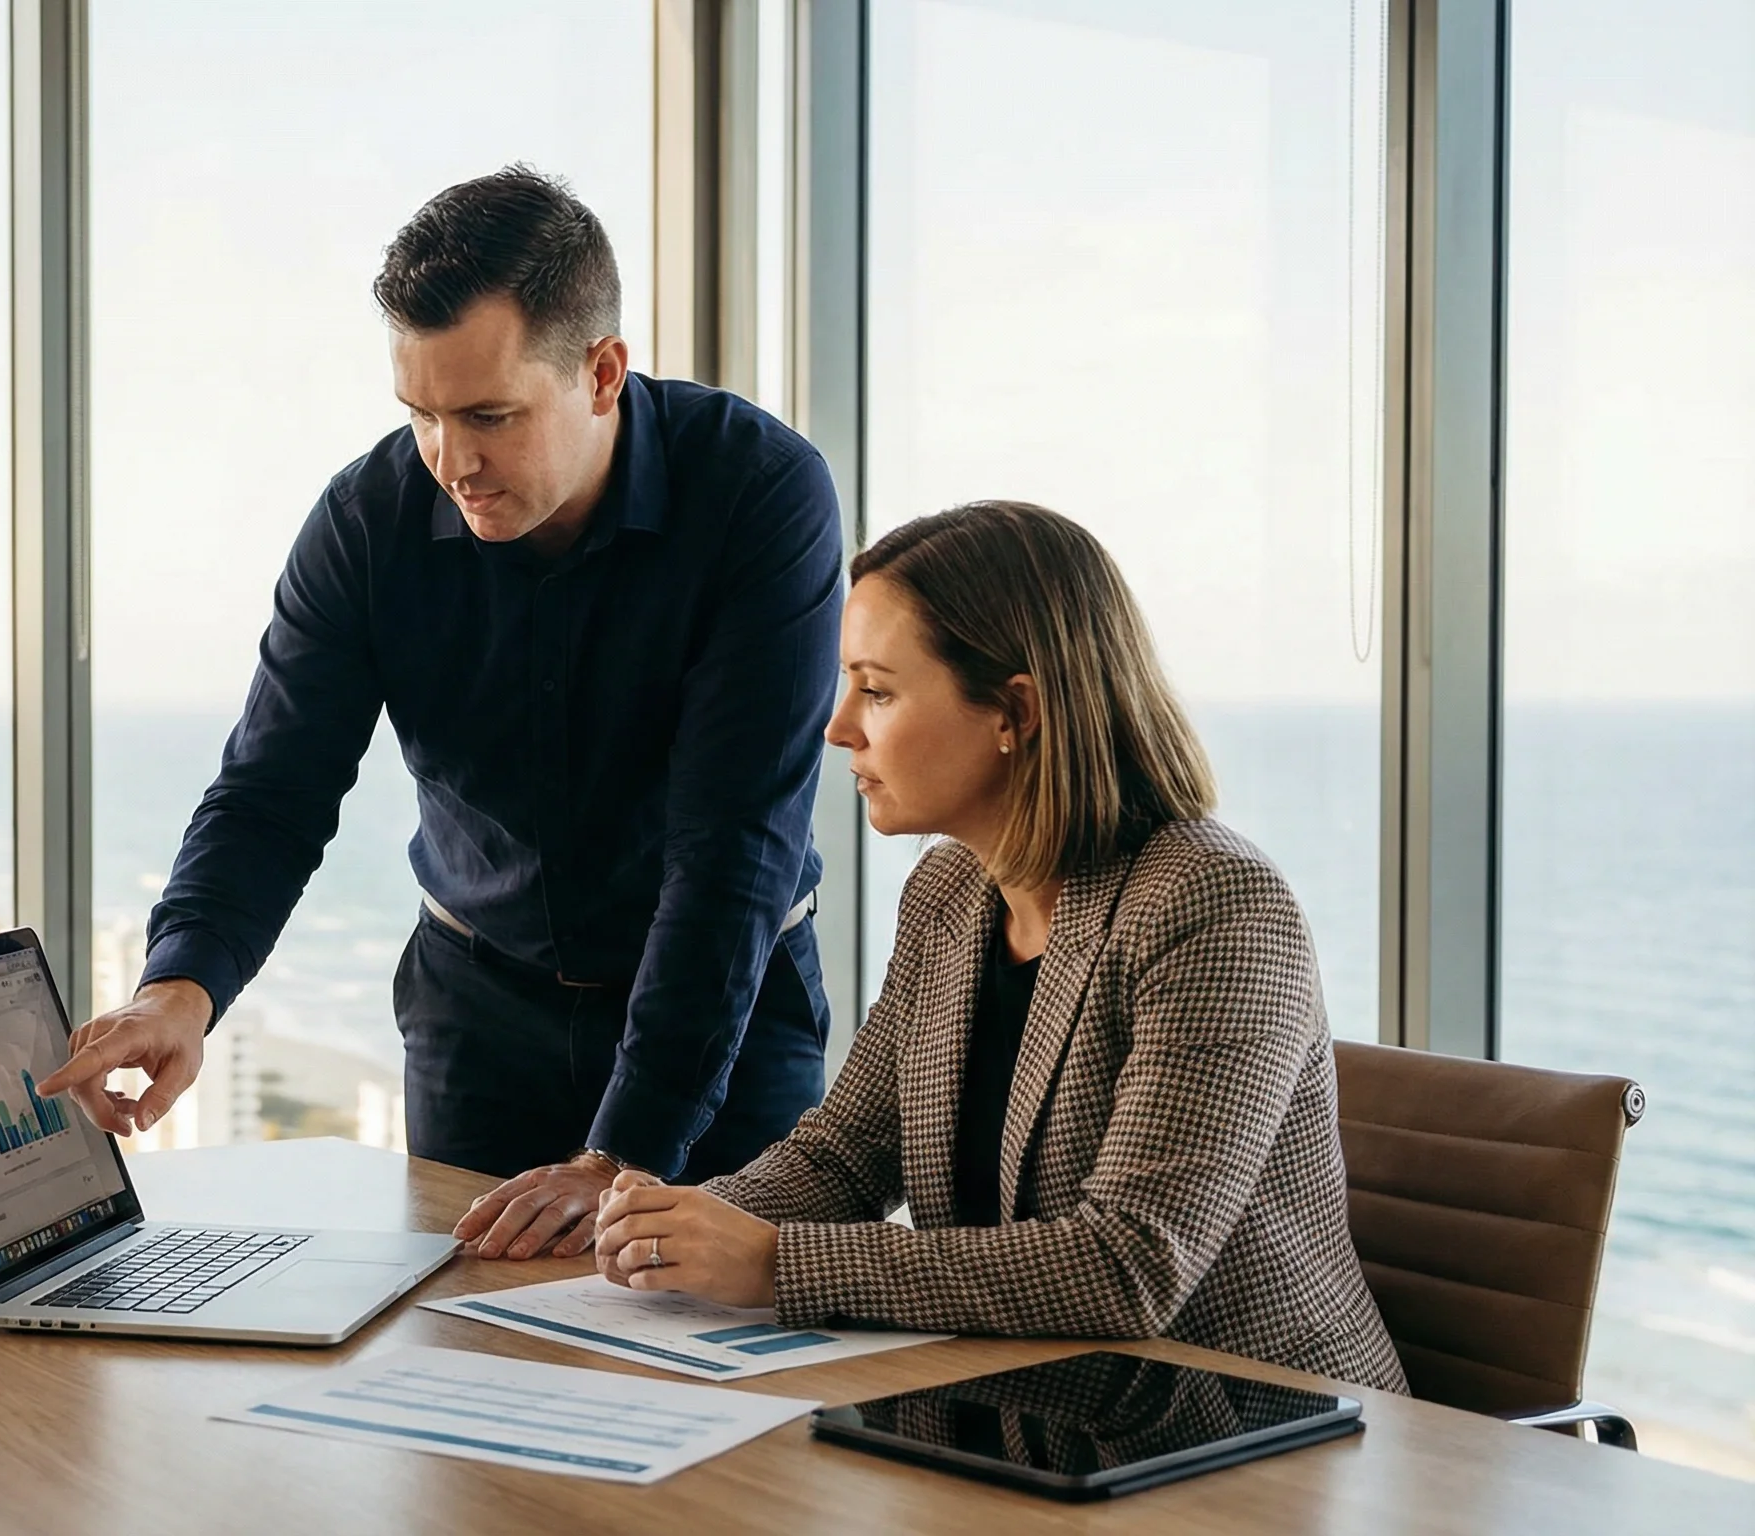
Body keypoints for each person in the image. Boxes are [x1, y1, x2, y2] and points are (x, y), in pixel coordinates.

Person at [36, 166, 846, 1261]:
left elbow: (732, 853)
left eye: (489, 416)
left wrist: (622, 1152)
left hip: (727, 1014)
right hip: (479, 1015)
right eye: (419, 415)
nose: (450, 462)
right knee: (467, 1360)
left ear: (601, 373)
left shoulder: (761, 497)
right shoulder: (368, 520)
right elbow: (272, 788)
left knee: (734, 1380)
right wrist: (181, 988)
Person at [592, 501, 1407, 1389]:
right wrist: (671, 1226)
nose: (838, 728)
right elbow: (846, 1156)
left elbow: (1128, 1266)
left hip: (1254, 1439)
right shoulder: (947, 893)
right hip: (1022, 1407)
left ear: (1014, 709)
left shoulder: (1216, 905)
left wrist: (780, 1263)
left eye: (879, 689)